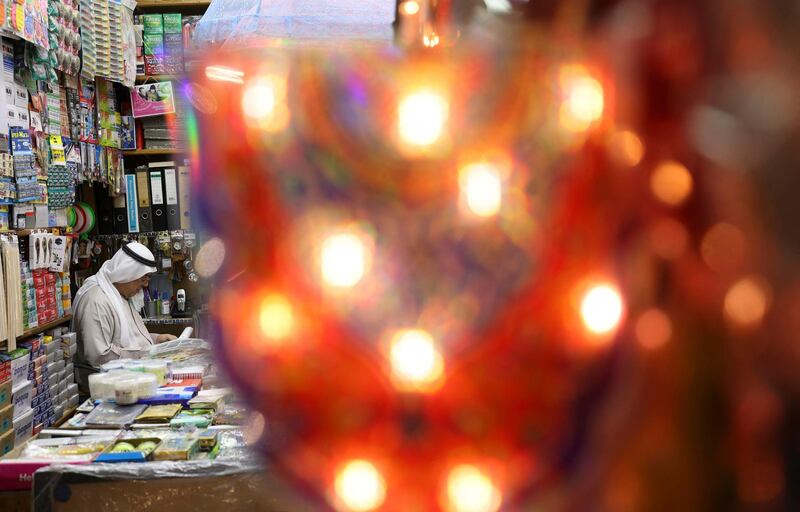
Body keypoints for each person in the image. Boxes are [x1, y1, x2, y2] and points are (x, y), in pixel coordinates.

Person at [72, 242, 176, 391]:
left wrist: (157, 339)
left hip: (126, 384)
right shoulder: (97, 300)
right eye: (143, 278)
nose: (145, 285)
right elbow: (99, 356)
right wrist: (146, 354)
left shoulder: (119, 295)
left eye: (147, 279)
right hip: (106, 391)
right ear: (127, 273)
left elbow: (126, 338)